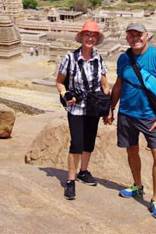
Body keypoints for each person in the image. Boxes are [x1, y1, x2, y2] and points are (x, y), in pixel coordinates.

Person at [106, 22, 156, 220]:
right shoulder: (123, 59)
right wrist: (111, 108)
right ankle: (137, 186)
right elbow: (118, 84)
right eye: (131, 35)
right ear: (127, 38)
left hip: (151, 115)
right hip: (127, 113)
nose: (135, 38)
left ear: (147, 36)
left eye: (139, 35)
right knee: (131, 150)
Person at [56, 20, 110, 200]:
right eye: (87, 34)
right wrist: (65, 94)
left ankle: (84, 171)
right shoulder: (70, 58)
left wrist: (107, 109)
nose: (90, 38)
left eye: (93, 35)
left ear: (96, 39)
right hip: (76, 107)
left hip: (93, 106)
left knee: (89, 142)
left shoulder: (99, 59)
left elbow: (104, 85)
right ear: (81, 37)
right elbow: (59, 82)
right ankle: (70, 180)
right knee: (76, 143)